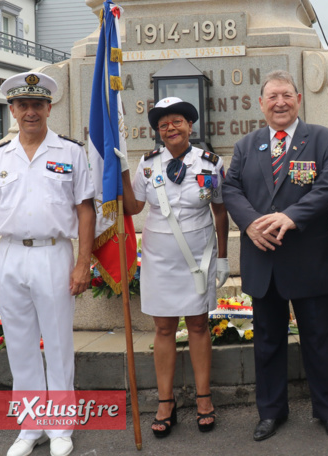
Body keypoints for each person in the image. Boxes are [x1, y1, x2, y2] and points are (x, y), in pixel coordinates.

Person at [222, 70, 328, 440]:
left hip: (309, 259)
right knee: (267, 342)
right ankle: (271, 412)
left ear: (299, 100)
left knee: (320, 341)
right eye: (273, 97)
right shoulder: (246, 146)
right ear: (261, 104)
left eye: (287, 95)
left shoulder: (325, 140)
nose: (280, 103)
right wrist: (249, 223)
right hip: (264, 260)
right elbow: (231, 189)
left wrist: (291, 216)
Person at [0, 72, 95, 456]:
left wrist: (83, 262)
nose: (31, 112)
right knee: (20, 345)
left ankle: (60, 427)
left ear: (49, 108)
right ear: (11, 110)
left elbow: (86, 210)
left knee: (58, 343)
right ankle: (30, 426)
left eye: (38, 105)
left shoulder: (70, 153)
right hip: (11, 256)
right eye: (23, 105)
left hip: (53, 254)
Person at [119, 97, 229, 438]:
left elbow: (220, 212)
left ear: (190, 125)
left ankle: (203, 398)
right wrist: (120, 170)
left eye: (177, 121)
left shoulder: (210, 164)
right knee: (164, 328)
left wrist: (223, 257)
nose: (170, 128)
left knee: (198, 325)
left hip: (198, 257)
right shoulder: (147, 164)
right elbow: (134, 207)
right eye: (163, 124)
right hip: (160, 258)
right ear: (158, 131)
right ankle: (165, 402)